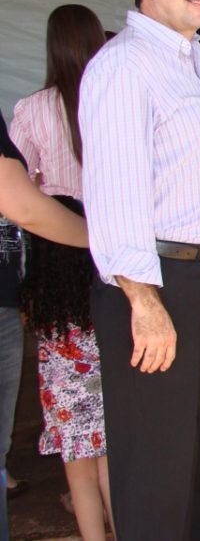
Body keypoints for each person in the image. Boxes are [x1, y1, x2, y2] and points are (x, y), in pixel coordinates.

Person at [78, 0, 200, 540]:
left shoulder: (186, 59)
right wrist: (144, 302)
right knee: (158, 466)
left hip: (197, 280)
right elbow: (115, 196)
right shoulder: (126, 65)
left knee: (196, 461)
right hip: (153, 284)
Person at [9, 4, 112, 541]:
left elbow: (17, 194)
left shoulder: (31, 110)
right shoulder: (111, 102)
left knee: (76, 424)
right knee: (114, 420)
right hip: (113, 259)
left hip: (56, 263)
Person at [1, 115, 91, 541]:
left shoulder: (45, 321)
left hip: (70, 428)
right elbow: (24, 207)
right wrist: (106, 240)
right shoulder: (101, 319)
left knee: (78, 477)